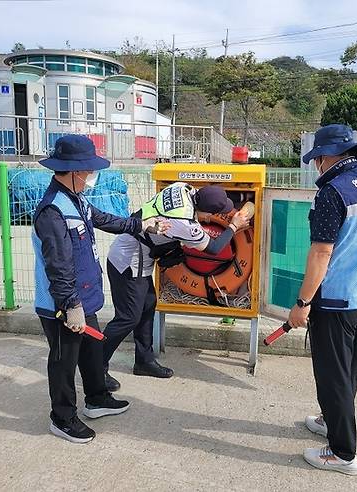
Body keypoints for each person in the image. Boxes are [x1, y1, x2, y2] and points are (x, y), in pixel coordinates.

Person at [32, 135, 167, 444]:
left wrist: (140, 224)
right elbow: (58, 265)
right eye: (89, 170)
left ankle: (97, 399)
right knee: (64, 360)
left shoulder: (77, 198)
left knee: (92, 350)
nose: (92, 175)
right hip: (62, 303)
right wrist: (70, 305)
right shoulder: (53, 211)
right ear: (74, 171)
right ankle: (62, 417)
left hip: (84, 295)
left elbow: (104, 219)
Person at [287, 124, 357, 475]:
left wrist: (302, 303)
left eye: (317, 160)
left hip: (337, 298)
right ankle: (332, 421)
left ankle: (343, 453)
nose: (317, 167)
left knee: (333, 376)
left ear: (325, 158)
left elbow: (321, 252)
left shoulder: (331, 192)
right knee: (349, 370)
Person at [102, 182, 250, 390]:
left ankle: (143, 361)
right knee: (128, 318)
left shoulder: (183, 188)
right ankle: (95, 366)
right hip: (127, 261)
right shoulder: (185, 223)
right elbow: (215, 248)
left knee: (147, 307)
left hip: (141, 258)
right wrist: (233, 226)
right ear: (207, 210)